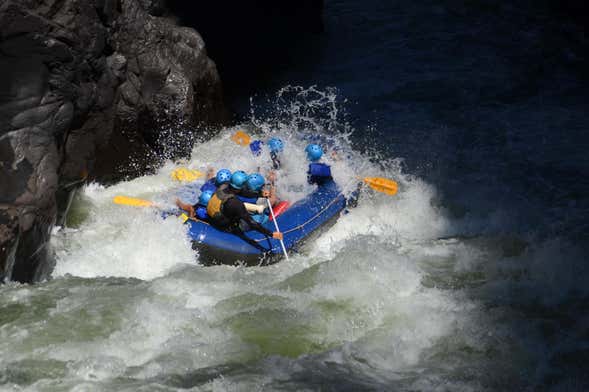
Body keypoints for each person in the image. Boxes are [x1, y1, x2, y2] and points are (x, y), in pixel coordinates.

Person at [207, 171, 283, 240]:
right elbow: (251, 223)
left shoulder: (224, 186)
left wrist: (260, 194)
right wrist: (271, 234)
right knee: (260, 217)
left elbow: (241, 192)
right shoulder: (235, 203)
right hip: (226, 227)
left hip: (214, 219)